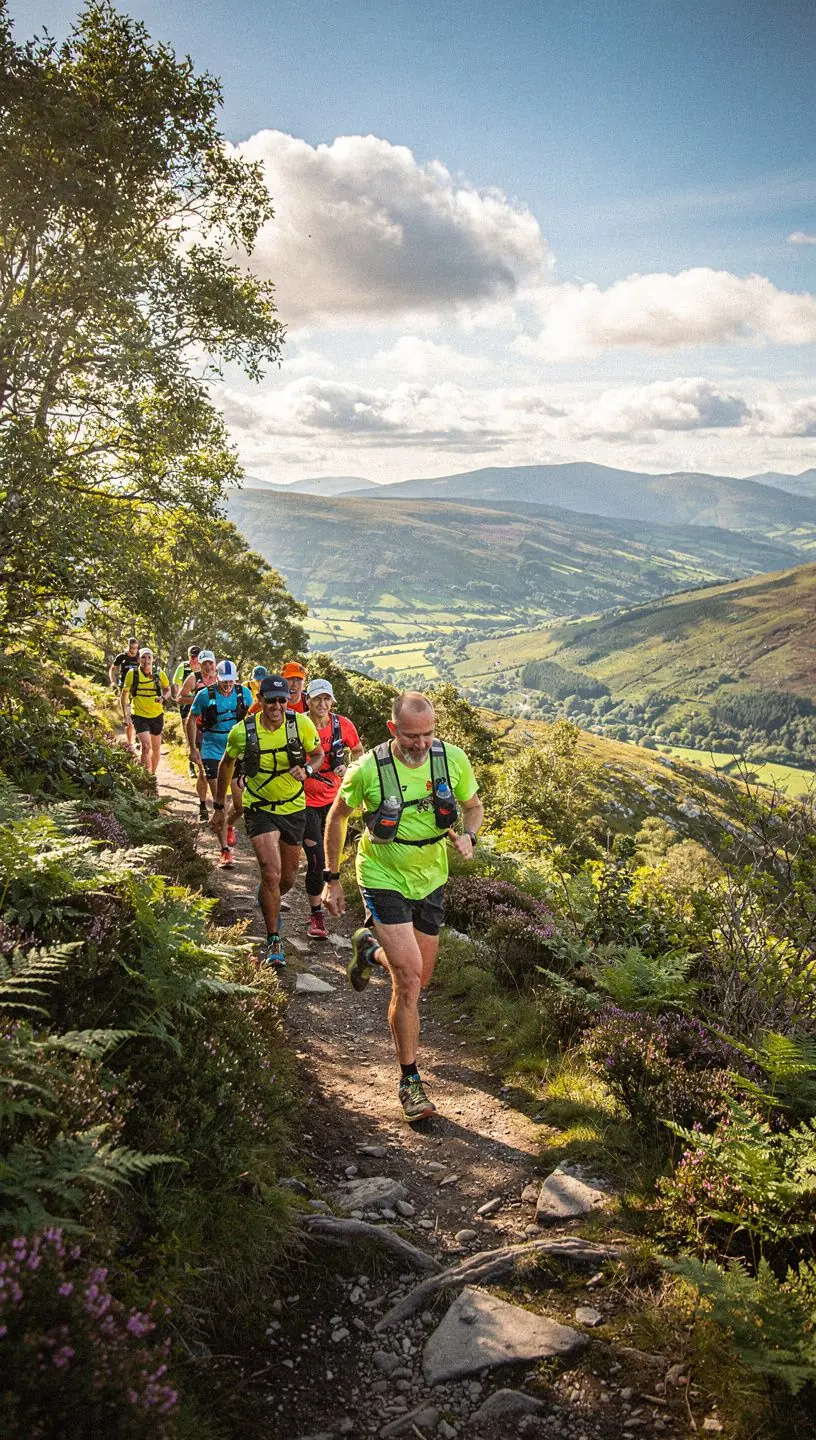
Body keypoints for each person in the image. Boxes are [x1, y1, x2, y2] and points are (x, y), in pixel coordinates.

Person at [323, 691, 484, 1123]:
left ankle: (368, 948)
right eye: (412, 736)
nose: (421, 743)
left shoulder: (452, 759)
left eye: (429, 734)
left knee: (421, 977)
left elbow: (473, 807)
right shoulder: (367, 770)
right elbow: (337, 816)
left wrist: (469, 836)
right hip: (382, 874)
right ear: (394, 730)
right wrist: (332, 877)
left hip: (431, 875)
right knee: (409, 979)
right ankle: (410, 1081)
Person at [214, 674, 321, 967]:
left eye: (281, 700)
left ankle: (266, 897)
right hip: (259, 806)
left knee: (286, 878)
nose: (276, 706)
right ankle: (274, 940)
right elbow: (227, 764)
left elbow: (318, 754)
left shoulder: (301, 725)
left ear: (289, 701)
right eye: (270, 700)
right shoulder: (241, 731)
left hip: (293, 807)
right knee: (271, 873)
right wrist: (219, 805)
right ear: (259, 700)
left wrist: (308, 771)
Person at [302, 679, 363, 940]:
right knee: (315, 858)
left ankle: (322, 904)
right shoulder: (297, 724)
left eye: (327, 699)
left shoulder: (343, 725)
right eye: (317, 698)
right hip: (301, 801)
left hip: (334, 801)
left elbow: (359, 751)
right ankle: (316, 913)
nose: (322, 704)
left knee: (329, 859)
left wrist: (349, 768)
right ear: (308, 700)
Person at [186, 659, 252, 867]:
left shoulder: (244, 694)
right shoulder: (205, 695)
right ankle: (225, 850)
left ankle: (230, 825)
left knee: (240, 805)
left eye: (231, 681)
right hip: (212, 750)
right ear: (217, 678)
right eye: (224, 681)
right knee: (220, 803)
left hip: (236, 750)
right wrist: (193, 748)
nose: (227, 685)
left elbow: (254, 719)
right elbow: (190, 720)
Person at [179, 649, 217, 822]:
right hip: (200, 728)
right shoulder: (194, 678)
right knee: (203, 772)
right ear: (199, 664)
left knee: (219, 772)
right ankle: (203, 805)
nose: (208, 666)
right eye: (205, 663)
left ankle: (219, 805)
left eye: (211, 663)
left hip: (219, 730)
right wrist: (198, 698)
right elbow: (180, 698)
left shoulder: (221, 678)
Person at [121, 647, 171, 775]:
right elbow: (124, 694)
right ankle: (145, 778)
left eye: (149, 657)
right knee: (146, 747)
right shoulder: (132, 674)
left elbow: (167, 689)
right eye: (143, 657)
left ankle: (152, 775)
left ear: (153, 660)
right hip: (139, 715)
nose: (146, 660)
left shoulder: (159, 674)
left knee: (156, 749)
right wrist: (125, 715)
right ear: (138, 660)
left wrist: (163, 698)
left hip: (157, 715)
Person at [109, 637, 141, 747]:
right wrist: (113, 682)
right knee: (127, 715)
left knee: (138, 714)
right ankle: (129, 742)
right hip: (125, 688)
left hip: (137, 689)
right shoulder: (121, 657)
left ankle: (138, 738)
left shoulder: (139, 657)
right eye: (132, 648)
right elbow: (112, 669)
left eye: (136, 648)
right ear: (128, 646)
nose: (134, 650)